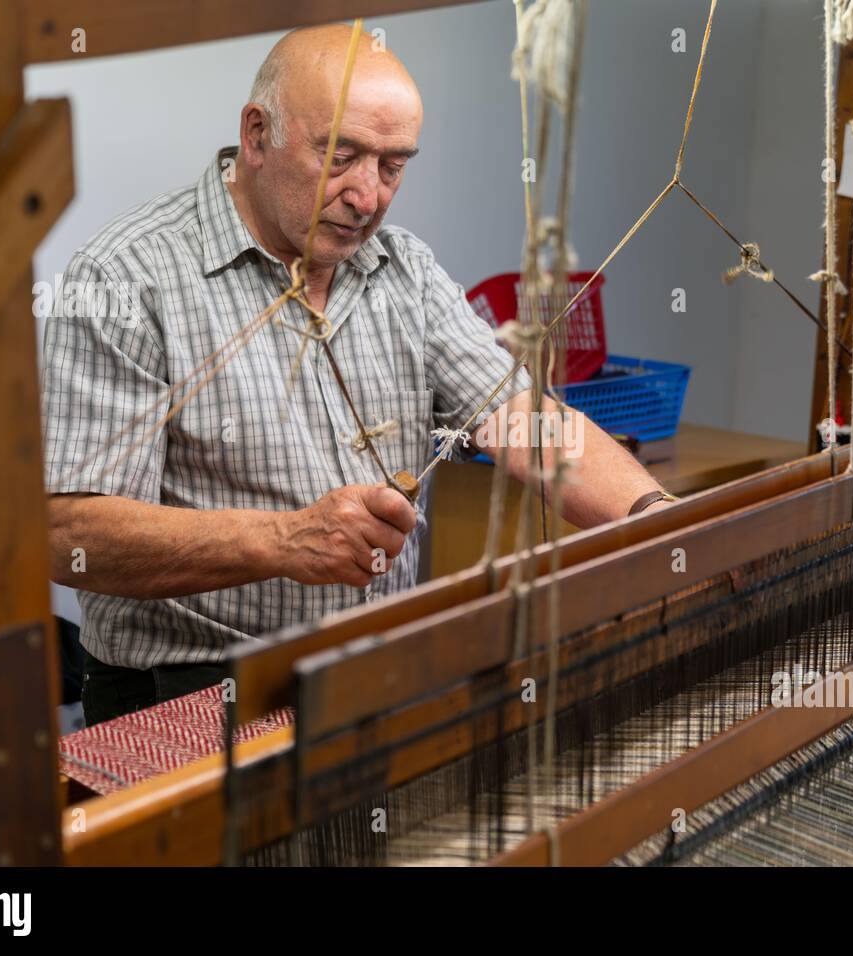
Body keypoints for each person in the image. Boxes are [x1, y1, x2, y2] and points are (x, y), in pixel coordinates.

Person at [43, 24, 674, 725]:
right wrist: (281, 542)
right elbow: (69, 534)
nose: (367, 196)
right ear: (256, 136)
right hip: (185, 693)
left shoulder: (402, 269)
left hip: (372, 675)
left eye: (393, 166)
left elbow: (524, 421)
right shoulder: (126, 278)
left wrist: (658, 521)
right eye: (340, 157)